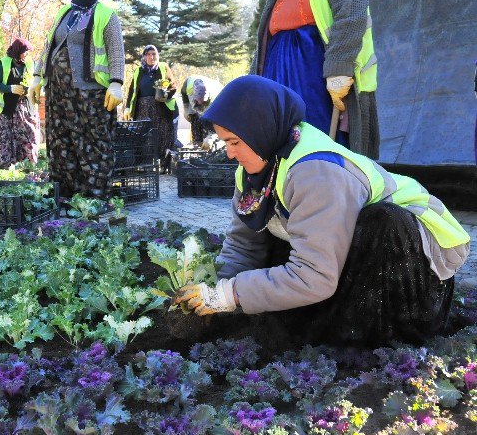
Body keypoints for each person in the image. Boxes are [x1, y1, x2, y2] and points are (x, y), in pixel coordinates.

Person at [174, 76, 470, 346]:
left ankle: (376, 338)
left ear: (260, 131)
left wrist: (233, 294)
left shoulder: (315, 171)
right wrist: (214, 293)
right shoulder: (252, 173)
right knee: (277, 244)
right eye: (225, 142)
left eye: (234, 142)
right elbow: (244, 244)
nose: (228, 153)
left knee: (381, 222)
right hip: (345, 258)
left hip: (414, 268)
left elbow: (314, 276)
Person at [250, 0, 380, 159]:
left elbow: (351, 14)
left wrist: (338, 67)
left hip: (312, 68)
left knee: (315, 145)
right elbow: (263, 43)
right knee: (278, 145)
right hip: (278, 71)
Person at [29, 0, 124, 199]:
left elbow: (116, 51)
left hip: (90, 93)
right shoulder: (63, 13)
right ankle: (64, 193)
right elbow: (48, 46)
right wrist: (37, 76)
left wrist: (116, 81)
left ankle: (94, 196)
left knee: (93, 143)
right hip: (58, 92)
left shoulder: (106, 15)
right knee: (59, 141)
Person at [124, 45, 179, 174]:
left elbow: (173, 85)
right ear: (144, 56)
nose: (151, 57)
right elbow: (132, 91)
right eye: (148, 54)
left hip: (162, 108)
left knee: (164, 135)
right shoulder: (138, 71)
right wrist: (127, 107)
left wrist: (166, 95)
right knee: (145, 136)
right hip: (143, 109)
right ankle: (146, 165)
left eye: (153, 54)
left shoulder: (163, 67)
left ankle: (164, 166)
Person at [0, 38, 41, 168]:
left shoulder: (30, 64)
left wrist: (29, 90)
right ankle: (5, 167)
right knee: (5, 138)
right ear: (17, 51)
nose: (27, 55)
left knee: (29, 135)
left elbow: (35, 82)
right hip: (6, 108)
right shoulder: (3, 63)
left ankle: (29, 167)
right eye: (25, 52)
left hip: (25, 108)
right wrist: (10, 88)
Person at [179, 75, 223, 148]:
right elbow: (183, 93)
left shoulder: (216, 99)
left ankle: (208, 146)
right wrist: (186, 107)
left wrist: (211, 136)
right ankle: (197, 145)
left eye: (203, 102)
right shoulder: (189, 86)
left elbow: (218, 121)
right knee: (194, 117)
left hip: (214, 110)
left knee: (208, 124)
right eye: (199, 101)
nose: (201, 103)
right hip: (195, 100)